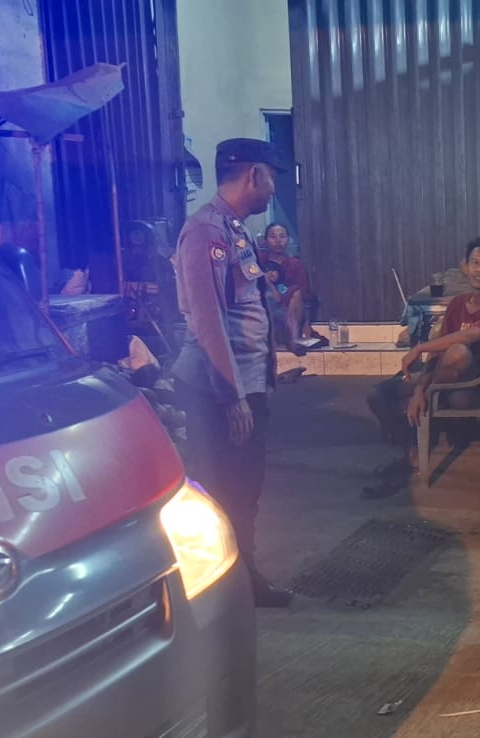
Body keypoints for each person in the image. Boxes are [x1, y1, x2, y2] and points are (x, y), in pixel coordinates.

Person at [170, 138, 292, 608]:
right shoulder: (206, 232)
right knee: (221, 490)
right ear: (253, 176)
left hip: (242, 383)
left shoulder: (233, 229)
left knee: (244, 487)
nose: (272, 188)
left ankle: (243, 578)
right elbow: (208, 319)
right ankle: (220, 589)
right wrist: (231, 395)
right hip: (217, 389)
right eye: (271, 177)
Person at [366, 237, 480, 481]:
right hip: (442, 379)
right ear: (465, 267)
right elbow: (437, 354)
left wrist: (419, 348)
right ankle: (413, 452)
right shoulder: (457, 304)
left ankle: (424, 401)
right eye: (475, 263)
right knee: (378, 394)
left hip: (472, 389)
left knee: (458, 351)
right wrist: (419, 389)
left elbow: (468, 336)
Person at [260, 223, 324, 347]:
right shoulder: (259, 262)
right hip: (266, 310)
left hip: (290, 313)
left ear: (288, 240)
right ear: (265, 240)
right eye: (273, 237)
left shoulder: (295, 264)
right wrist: (265, 279)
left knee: (296, 291)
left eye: (282, 236)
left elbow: (304, 295)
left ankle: (294, 339)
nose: (278, 241)